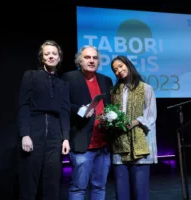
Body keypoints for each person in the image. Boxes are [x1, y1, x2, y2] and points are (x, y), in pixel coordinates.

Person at [17, 40, 70, 200]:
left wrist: (66, 138)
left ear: (59, 58)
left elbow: (65, 112)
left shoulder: (63, 84)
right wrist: (25, 134)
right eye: (47, 54)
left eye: (54, 54)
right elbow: (23, 105)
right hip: (34, 133)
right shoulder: (31, 76)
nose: (51, 56)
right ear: (42, 57)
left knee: (52, 185)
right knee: (29, 184)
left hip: (55, 138)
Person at [61, 45, 113, 200]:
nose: (91, 61)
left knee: (99, 186)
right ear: (79, 60)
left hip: (103, 144)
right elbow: (63, 104)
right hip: (82, 142)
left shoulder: (106, 80)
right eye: (87, 57)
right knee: (78, 188)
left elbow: (110, 105)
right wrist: (80, 110)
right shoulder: (69, 78)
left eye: (95, 58)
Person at [110, 55, 158, 200]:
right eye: (115, 69)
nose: (119, 70)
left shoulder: (146, 88)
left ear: (128, 65)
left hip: (140, 145)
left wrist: (136, 122)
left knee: (140, 192)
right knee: (122, 192)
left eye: (121, 66)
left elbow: (151, 115)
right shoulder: (114, 91)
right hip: (120, 145)